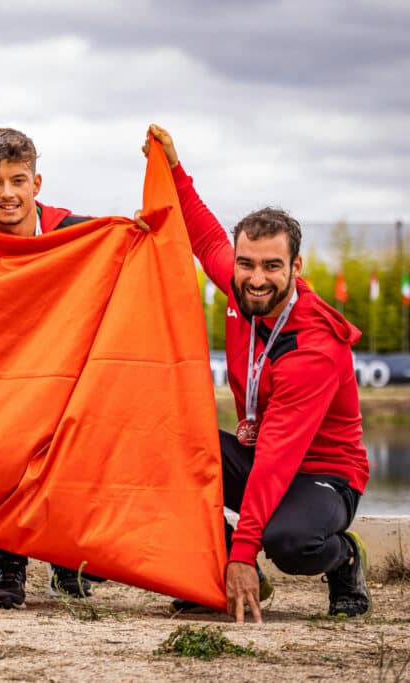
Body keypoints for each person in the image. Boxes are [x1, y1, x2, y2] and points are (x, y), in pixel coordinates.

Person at [143, 124, 371, 623]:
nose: (256, 278)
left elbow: (278, 456)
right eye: (246, 264)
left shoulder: (313, 346)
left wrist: (245, 553)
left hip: (321, 474)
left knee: (287, 541)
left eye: (272, 266)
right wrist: (174, 168)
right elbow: (203, 235)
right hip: (262, 454)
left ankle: (345, 558)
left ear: (295, 266)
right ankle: (212, 569)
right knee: (165, 446)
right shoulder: (244, 289)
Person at [0, 127, 107, 609]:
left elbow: (130, 247)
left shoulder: (77, 231)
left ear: (37, 183)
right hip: (4, 380)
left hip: (64, 375)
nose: (7, 193)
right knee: (6, 455)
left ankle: (67, 561)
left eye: (18, 180)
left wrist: (147, 231)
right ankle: (9, 568)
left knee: (74, 449)